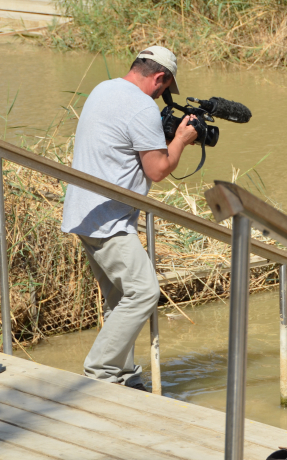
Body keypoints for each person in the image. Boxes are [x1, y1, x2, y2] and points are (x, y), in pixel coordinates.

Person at [61, 46, 198, 390]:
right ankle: (100, 371)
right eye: (164, 89)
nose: (161, 97)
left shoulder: (103, 88)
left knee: (119, 301)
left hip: (84, 211)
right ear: (159, 77)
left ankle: (123, 377)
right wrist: (181, 139)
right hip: (109, 220)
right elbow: (158, 169)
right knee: (144, 292)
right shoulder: (141, 106)